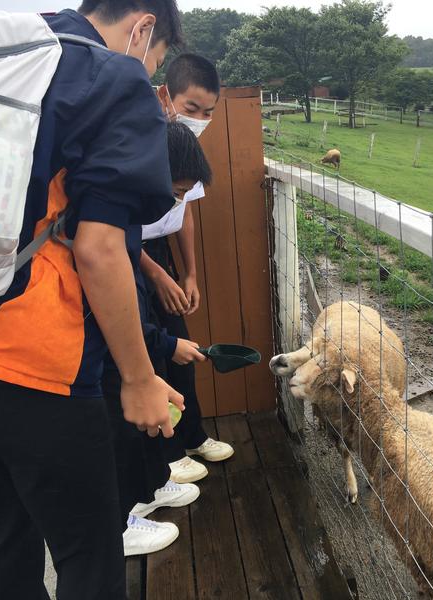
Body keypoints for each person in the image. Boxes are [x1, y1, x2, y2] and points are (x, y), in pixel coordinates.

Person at [0, 3, 184, 599]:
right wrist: (138, 379)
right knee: (89, 552)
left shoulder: (9, 53)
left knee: (5, 517)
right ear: (144, 26)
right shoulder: (110, 77)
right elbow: (100, 249)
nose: (150, 72)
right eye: (157, 59)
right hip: (25, 366)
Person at [106, 120, 212, 556]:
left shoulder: (127, 216)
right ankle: (115, 524)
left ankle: (149, 487)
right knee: (118, 420)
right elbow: (112, 308)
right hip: (94, 360)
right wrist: (166, 345)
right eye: (175, 192)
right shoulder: (108, 222)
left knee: (144, 407)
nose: (176, 204)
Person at [144, 54, 235, 484]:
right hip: (130, 256)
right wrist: (155, 274)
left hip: (160, 255)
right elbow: (114, 227)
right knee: (153, 355)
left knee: (182, 350)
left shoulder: (185, 144)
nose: (200, 119)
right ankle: (166, 455)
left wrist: (189, 273)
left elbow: (185, 214)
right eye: (191, 108)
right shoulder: (139, 137)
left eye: (208, 112)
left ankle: (192, 435)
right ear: (166, 96)